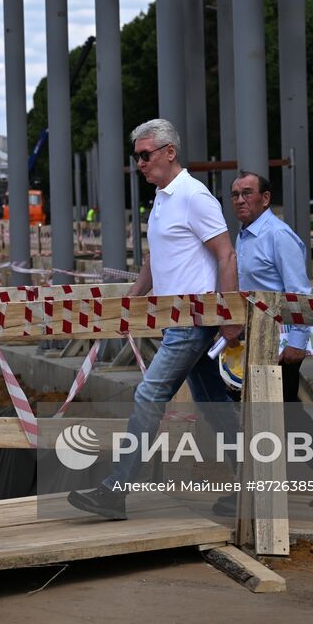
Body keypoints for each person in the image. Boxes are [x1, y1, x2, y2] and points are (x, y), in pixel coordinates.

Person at [68, 118, 238, 521]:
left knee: (148, 396)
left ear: (169, 152)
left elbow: (226, 254)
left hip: (194, 320)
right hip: (176, 318)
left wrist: (230, 315)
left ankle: (115, 491)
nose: (140, 164)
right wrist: (131, 301)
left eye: (145, 155)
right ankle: (257, 482)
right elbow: (153, 259)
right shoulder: (163, 198)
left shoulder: (194, 196)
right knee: (214, 406)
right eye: (137, 157)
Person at [230, 171, 313, 510]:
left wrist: (297, 340)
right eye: (235, 194)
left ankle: (256, 489)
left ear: (265, 198)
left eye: (247, 193)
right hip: (258, 340)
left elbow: (299, 292)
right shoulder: (245, 235)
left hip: (282, 342)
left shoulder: (278, 236)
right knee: (283, 413)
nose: (240, 200)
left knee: (273, 413)